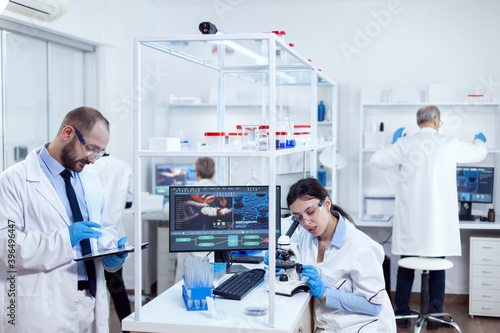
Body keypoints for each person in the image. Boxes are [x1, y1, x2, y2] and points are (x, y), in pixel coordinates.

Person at [0, 106, 127, 333]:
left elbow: (103, 227)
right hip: (43, 308)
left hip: (90, 302)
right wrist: (65, 239)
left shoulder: (89, 180)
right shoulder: (12, 181)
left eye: (99, 152)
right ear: (68, 133)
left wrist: (111, 253)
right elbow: (5, 246)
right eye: (91, 148)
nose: (93, 160)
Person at [370, 105, 487, 329]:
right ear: (435, 120)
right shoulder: (449, 144)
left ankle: (401, 314)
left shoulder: (405, 145)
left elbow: (377, 160)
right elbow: (479, 153)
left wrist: (395, 144)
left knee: (405, 266)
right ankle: (435, 317)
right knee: (437, 267)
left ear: (419, 122)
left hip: (411, 223)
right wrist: (480, 141)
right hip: (437, 224)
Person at [268, 177, 396, 332]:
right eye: (298, 217)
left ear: (327, 204)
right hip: (329, 326)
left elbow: (374, 306)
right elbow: (289, 254)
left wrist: (325, 294)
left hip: (363, 326)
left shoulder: (360, 246)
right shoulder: (305, 235)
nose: (306, 222)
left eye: (311, 212)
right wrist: (278, 259)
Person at [89, 153, 133, 332]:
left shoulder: (90, 167)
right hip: (115, 235)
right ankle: (126, 328)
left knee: (93, 288)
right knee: (117, 287)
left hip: (92, 235)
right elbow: (129, 203)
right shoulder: (124, 165)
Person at [174, 157, 215, 283]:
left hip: (190, 254)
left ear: (196, 172)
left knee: (185, 288)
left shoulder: (185, 191)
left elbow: (168, 211)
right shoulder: (220, 191)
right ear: (213, 172)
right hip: (211, 254)